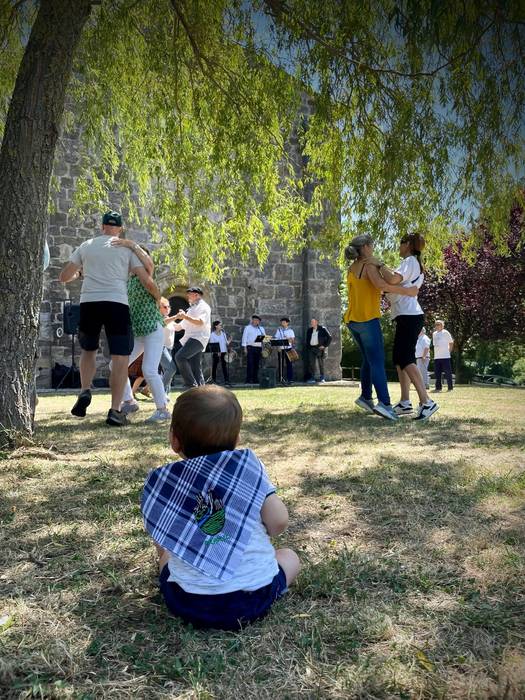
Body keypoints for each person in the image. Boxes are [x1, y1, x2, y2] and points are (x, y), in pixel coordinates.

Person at [141, 385, 300, 630]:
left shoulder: (168, 483)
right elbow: (278, 522)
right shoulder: (249, 469)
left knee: (167, 555)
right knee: (289, 557)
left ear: (174, 440)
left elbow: (160, 531)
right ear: (237, 440)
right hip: (252, 598)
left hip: (187, 601)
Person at [59, 211, 156, 426]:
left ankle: (85, 390)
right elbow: (147, 272)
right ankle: (115, 410)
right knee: (120, 357)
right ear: (119, 229)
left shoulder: (86, 245)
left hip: (89, 303)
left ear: (102, 226)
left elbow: (64, 277)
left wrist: (80, 274)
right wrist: (133, 246)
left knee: (88, 350)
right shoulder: (124, 248)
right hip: (117, 303)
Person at [343, 233, 419, 421]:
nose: (374, 248)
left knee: (368, 360)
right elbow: (382, 285)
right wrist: (408, 291)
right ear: (366, 247)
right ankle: (385, 404)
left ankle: (366, 397)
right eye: (372, 245)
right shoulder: (369, 265)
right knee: (376, 362)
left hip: (352, 320)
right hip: (367, 319)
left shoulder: (351, 267)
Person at [384, 233, 439, 421]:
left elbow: (392, 280)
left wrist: (379, 267)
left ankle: (427, 402)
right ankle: (405, 402)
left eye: (400, 243)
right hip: (407, 315)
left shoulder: (409, 261)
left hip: (409, 315)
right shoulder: (414, 263)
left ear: (407, 244)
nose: (398, 247)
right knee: (399, 358)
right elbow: (398, 283)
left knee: (406, 357)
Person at [112, 243, 169, 423]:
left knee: (149, 369)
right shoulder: (129, 282)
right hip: (139, 333)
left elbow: (149, 264)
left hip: (153, 329)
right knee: (115, 366)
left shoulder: (147, 277)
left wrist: (130, 244)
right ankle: (129, 401)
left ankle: (163, 410)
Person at [174, 287, 211, 389]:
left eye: (190, 294)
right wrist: (167, 321)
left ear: (197, 295)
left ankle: (191, 385)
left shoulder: (204, 307)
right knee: (195, 367)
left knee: (180, 357)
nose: (187, 296)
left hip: (198, 338)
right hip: (192, 338)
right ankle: (201, 390)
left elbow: (200, 322)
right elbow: (178, 327)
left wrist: (185, 316)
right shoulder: (191, 309)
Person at [159, 297, 179, 399]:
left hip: (169, 348)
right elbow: (164, 322)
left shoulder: (170, 320)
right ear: (159, 308)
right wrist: (177, 316)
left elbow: (179, 327)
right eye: (165, 307)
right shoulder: (159, 318)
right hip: (161, 348)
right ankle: (159, 392)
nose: (167, 308)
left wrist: (188, 318)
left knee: (167, 372)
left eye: (168, 307)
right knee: (171, 369)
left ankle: (165, 395)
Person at [305, 318, 332, 383]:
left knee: (321, 363)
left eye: (313, 322)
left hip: (319, 348)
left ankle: (322, 377)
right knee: (311, 364)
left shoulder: (322, 329)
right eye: (311, 322)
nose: (311, 323)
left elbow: (330, 337)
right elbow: (307, 339)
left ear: (316, 322)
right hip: (311, 348)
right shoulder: (309, 330)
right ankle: (312, 378)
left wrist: (324, 346)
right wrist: (308, 346)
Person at [241, 315, 266, 384]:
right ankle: (248, 380)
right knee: (250, 364)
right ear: (252, 320)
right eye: (254, 320)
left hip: (258, 348)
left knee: (256, 364)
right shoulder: (248, 328)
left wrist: (263, 348)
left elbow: (264, 339)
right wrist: (245, 348)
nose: (256, 321)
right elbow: (244, 338)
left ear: (259, 322)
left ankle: (255, 379)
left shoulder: (261, 329)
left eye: (257, 321)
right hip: (250, 347)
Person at [432, 320, 454, 391]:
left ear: (442, 325)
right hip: (437, 357)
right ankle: (438, 387)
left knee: (448, 373)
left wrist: (449, 352)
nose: (437, 326)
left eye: (438, 324)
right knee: (437, 373)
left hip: (445, 356)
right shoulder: (434, 333)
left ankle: (450, 387)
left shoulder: (445, 332)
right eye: (436, 324)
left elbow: (451, 342)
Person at [274, 317, 296, 384]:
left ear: (287, 323)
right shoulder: (279, 330)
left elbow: (293, 340)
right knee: (280, 364)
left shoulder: (290, 331)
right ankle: (281, 378)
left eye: (284, 322)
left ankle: (290, 379)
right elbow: (276, 339)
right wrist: (278, 347)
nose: (282, 323)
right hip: (281, 349)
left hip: (288, 348)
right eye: (282, 322)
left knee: (289, 364)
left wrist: (288, 339)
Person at [209, 320, 231, 386]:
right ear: (216, 326)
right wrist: (217, 351)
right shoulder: (212, 334)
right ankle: (214, 380)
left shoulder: (223, 333)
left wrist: (229, 340)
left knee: (224, 366)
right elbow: (212, 344)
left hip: (223, 352)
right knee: (215, 366)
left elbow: (226, 343)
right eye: (220, 325)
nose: (221, 326)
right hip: (216, 352)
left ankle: (226, 380)